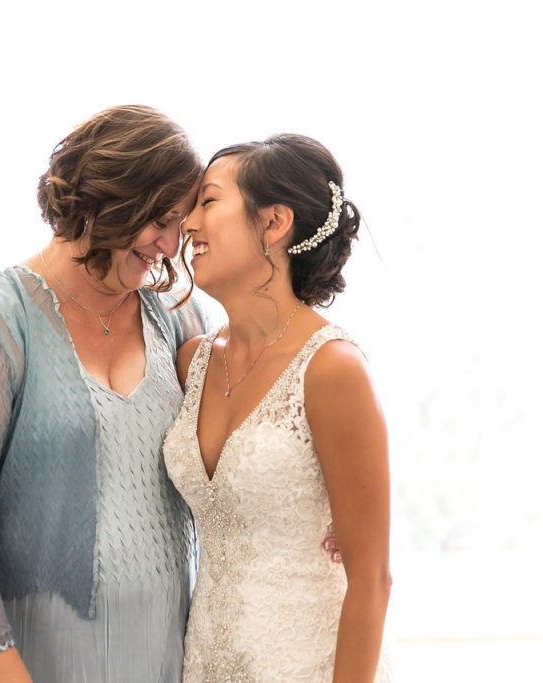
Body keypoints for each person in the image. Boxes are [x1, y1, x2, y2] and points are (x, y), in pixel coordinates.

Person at [0, 105, 212, 683]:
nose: (172, 245)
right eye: (160, 219)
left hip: (155, 662)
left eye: (182, 223)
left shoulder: (180, 319)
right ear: (109, 198)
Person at [163, 134, 392, 682]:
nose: (187, 224)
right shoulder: (190, 361)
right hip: (205, 664)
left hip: (305, 665)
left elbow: (372, 578)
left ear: (273, 223)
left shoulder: (333, 368)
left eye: (208, 201)